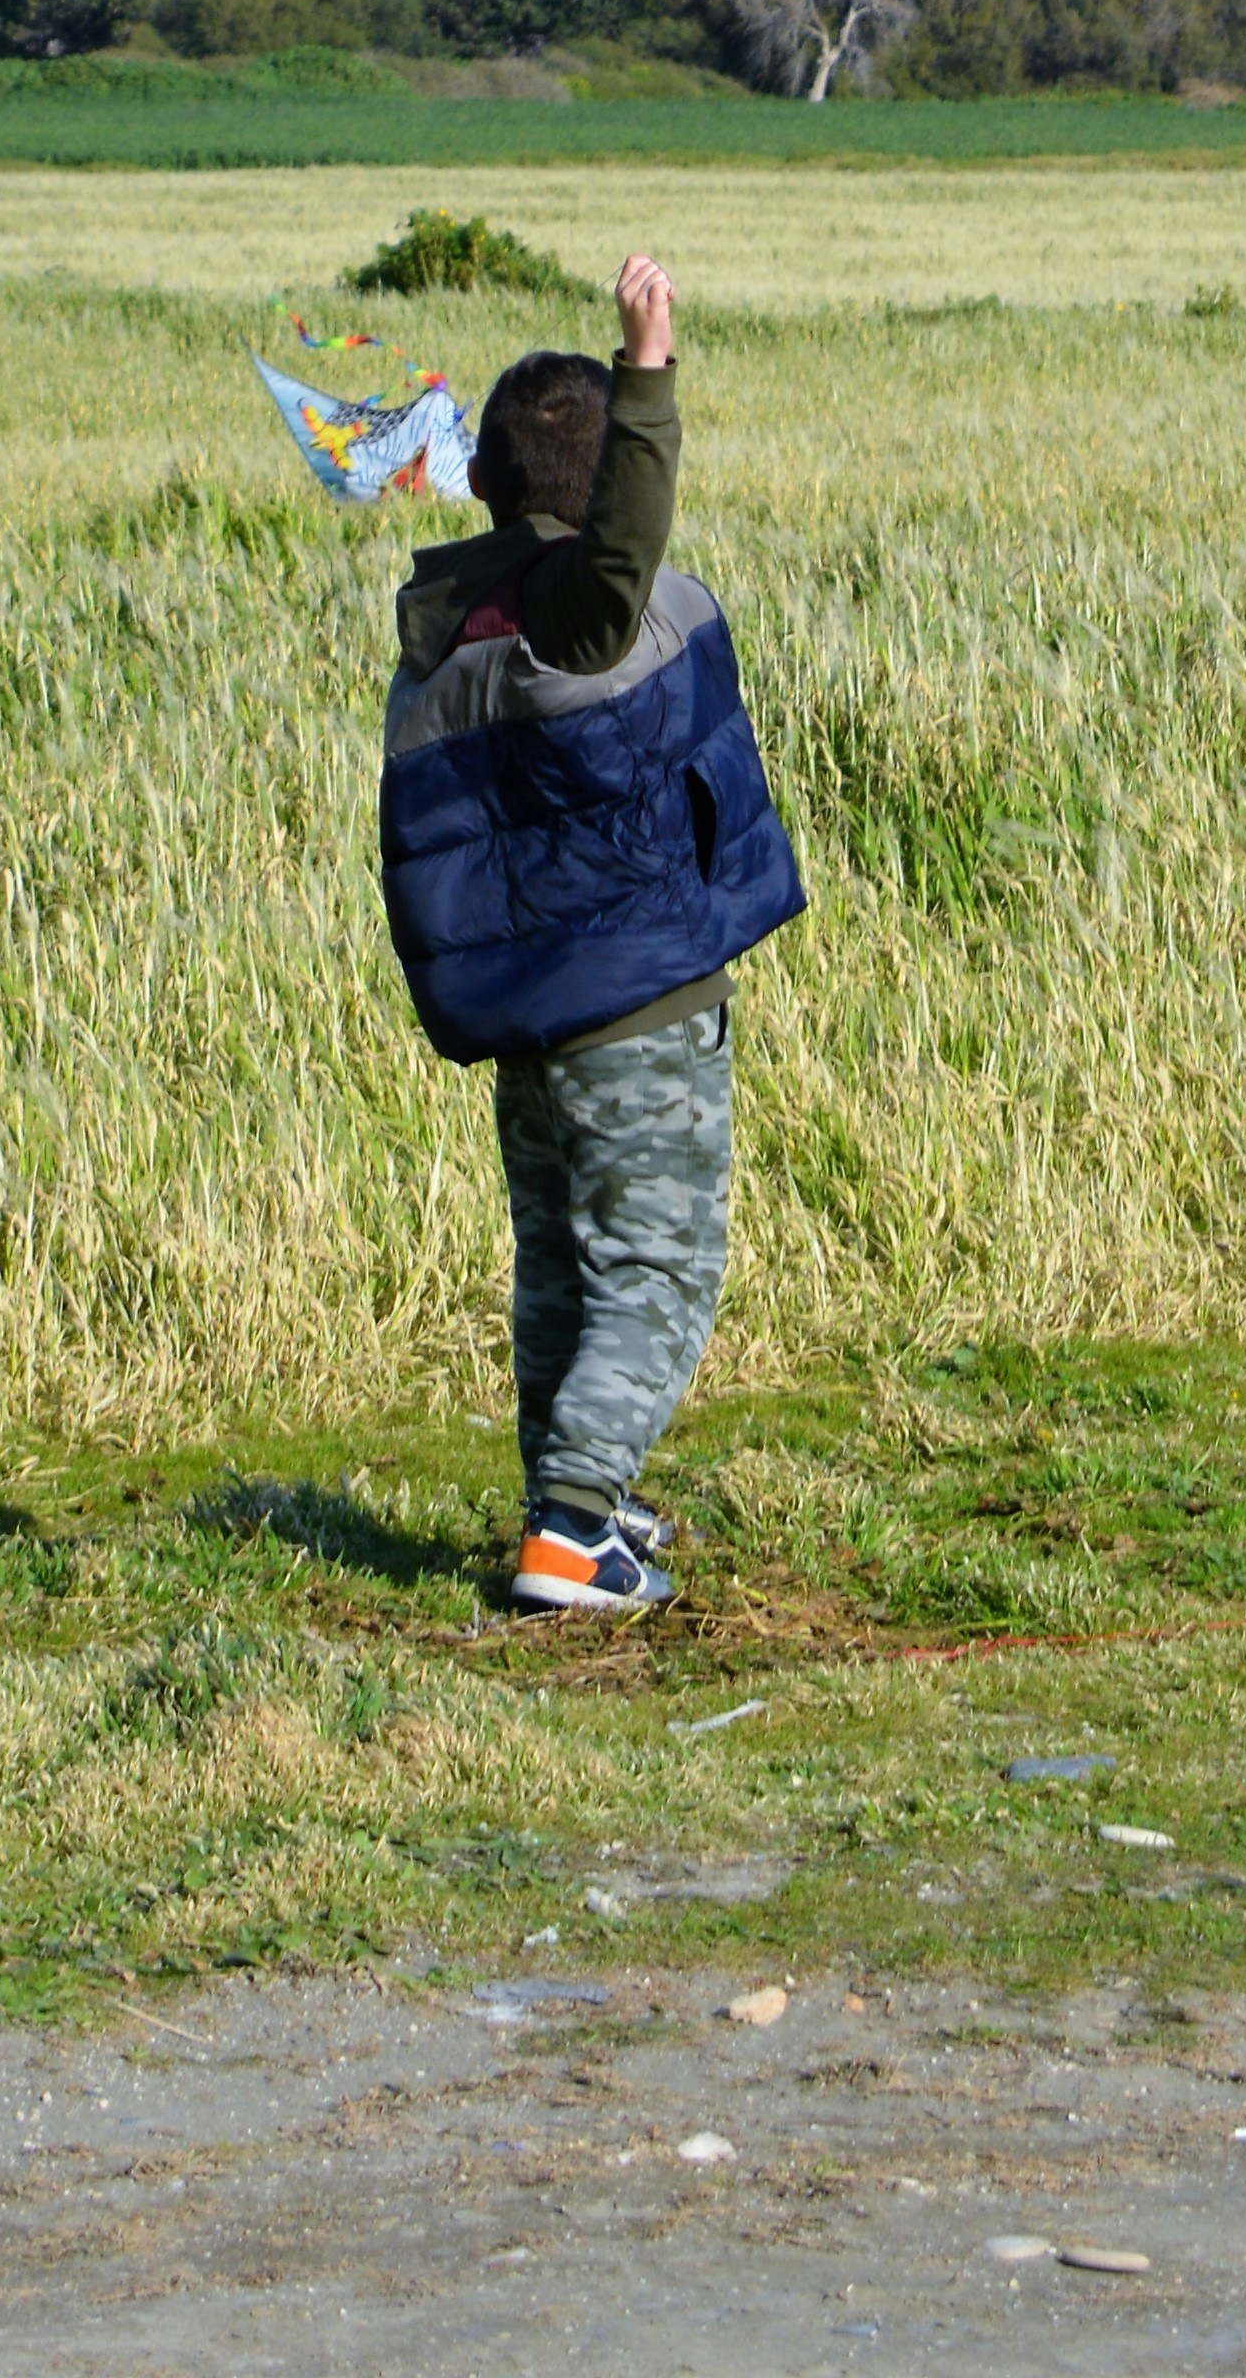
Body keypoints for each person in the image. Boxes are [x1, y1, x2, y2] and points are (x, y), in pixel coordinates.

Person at [374, 248, 804, 1617]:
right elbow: (624, 546)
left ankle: (581, 1507)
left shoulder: (456, 631)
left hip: (528, 1015)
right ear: (605, 478)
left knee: (563, 1266)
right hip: (634, 1009)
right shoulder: (581, 619)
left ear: (486, 485)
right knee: (662, 1272)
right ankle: (570, 1533)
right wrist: (650, 366)